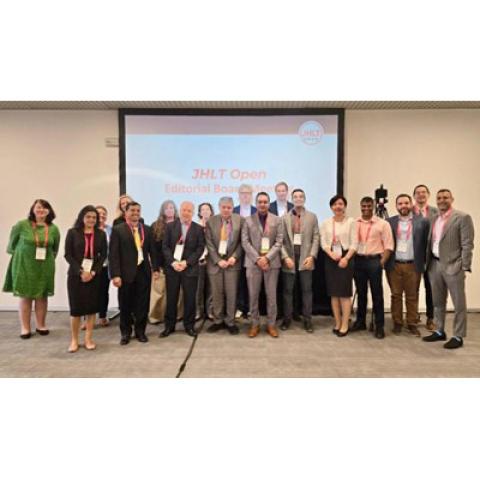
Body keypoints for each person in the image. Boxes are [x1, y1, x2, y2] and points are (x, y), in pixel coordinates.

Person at [422, 189, 474, 349]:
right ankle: (439, 331)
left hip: (453, 266)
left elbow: (467, 244)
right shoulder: (434, 218)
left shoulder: (462, 217)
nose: (442, 200)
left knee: (458, 303)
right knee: (437, 301)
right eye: (439, 198)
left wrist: (464, 265)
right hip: (434, 265)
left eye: (445, 197)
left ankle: (458, 336)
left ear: (452, 198)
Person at [3, 199, 61, 339]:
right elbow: (12, 246)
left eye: (44, 208)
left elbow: (55, 249)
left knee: (42, 296)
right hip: (24, 265)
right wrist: (25, 255)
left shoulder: (53, 228)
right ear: (33, 210)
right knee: (25, 296)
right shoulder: (21, 225)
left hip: (44, 266)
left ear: (49, 211)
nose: (41, 210)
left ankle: (41, 325)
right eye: (38, 207)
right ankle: (25, 328)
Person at [109, 202, 159, 345]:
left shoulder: (147, 230)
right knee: (125, 305)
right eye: (132, 210)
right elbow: (113, 254)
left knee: (142, 304)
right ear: (126, 212)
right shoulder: (119, 230)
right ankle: (125, 333)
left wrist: (155, 269)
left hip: (143, 272)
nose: (135, 213)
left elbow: (153, 252)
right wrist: (115, 275)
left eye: (138, 210)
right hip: (125, 274)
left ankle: (140, 332)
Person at [64, 206, 108, 352]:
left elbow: (103, 256)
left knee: (91, 309)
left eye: (94, 218)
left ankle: (88, 339)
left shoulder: (101, 234)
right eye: (88, 217)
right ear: (82, 217)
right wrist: (80, 271)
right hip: (76, 276)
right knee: (76, 310)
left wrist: (94, 272)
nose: (91, 220)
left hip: (94, 276)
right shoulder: (72, 233)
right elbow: (68, 255)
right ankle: (74, 340)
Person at [385, 194, 429, 337]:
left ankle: (412, 323)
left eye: (406, 203)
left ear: (411, 204)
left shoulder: (421, 221)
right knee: (396, 295)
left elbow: (425, 243)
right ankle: (397, 322)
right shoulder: (389, 222)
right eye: (400, 203)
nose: (403, 206)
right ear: (396, 206)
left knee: (412, 295)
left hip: (413, 264)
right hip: (394, 264)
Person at [351, 196, 394, 339]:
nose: (366, 209)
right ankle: (360, 321)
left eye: (369, 206)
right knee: (361, 293)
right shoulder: (355, 223)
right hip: (358, 260)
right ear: (360, 206)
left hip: (374, 261)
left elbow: (388, 246)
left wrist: (381, 262)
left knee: (377, 295)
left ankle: (379, 325)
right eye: (363, 206)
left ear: (373, 206)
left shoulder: (382, 224)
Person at [161, 201, 205, 338]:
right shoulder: (169, 227)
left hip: (190, 269)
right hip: (172, 269)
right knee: (171, 298)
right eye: (184, 210)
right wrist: (173, 262)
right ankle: (169, 326)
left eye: (189, 211)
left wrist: (187, 262)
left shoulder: (198, 229)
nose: (186, 213)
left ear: (192, 213)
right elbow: (165, 247)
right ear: (179, 211)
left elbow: (200, 248)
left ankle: (189, 326)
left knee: (190, 299)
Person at [242, 192, 283, 338]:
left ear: (269, 203)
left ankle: (271, 325)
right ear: (256, 203)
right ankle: (255, 324)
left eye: (265, 202)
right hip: (253, 264)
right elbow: (245, 242)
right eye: (260, 202)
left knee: (271, 296)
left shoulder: (277, 220)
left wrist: (267, 258)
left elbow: (279, 242)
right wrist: (258, 259)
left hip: (272, 264)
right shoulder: (247, 220)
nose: (262, 204)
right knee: (253, 296)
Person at [281, 188, 319, 333]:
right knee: (287, 291)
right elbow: (281, 241)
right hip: (289, 260)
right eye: (295, 196)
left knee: (307, 291)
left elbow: (316, 237)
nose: (298, 199)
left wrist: (312, 256)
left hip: (305, 260)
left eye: (300, 196)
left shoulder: (312, 216)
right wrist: (285, 257)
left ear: (304, 199)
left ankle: (307, 320)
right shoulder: (284, 218)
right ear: (292, 199)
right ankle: (287, 319)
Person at [205, 196, 244, 335]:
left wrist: (234, 257)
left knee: (231, 294)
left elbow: (242, 242)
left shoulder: (240, 220)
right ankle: (218, 321)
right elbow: (209, 243)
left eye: (229, 207)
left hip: (232, 264)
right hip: (216, 264)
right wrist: (217, 260)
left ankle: (230, 322)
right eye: (223, 207)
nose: (226, 210)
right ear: (219, 207)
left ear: (232, 208)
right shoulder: (211, 221)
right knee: (216, 294)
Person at [320, 195, 357, 337]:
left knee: (344, 293)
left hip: (346, 259)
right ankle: (337, 322)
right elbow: (323, 242)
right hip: (331, 259)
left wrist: (346, 258)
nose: (338, 207)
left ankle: (345, 324)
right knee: (334, 293)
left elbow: (354, 243)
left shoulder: (351, 222)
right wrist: (330, 254)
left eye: (340, 204)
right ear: (331, 207)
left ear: (345, 206)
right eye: (335, 204)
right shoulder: (326, 223)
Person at [149, 200, 180, 324]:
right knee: (159, 293)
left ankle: (176, 316)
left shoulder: (181, 224)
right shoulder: (155, 225)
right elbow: (153, 249)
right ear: (162, 210)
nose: (169, 210)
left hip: (177, 264)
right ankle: (156, 317)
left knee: (177, 293)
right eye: (167, 208)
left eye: (172, 208)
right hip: (161, 264)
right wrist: (155, 268)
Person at [412, 184, 439, 330]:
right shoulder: (408, 212)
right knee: (412, 289)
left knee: (431, 289)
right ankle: (413, 316)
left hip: (431, 258)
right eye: (418, 193)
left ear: (428, 194)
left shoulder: (436, 212)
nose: (421, 195)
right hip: (414, 257)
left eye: (423, 192)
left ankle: (430, 318)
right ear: (414, 196)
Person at [234, 184, 257, 319]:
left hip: (252, 251)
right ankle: (239, 306)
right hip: (236, 251)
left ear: (251, 195)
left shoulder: (256, 210)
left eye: (248, 193)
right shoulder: (234, 210)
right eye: (242, 193)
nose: (245, 195)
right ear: (239, 195)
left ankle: (250, 307)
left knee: (252, 281)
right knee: (238, 281)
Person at [196, 202, 214, 320]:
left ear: (211, 211)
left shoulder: (215, 225)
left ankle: (210, 311)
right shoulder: (195, 226)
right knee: (198, 287)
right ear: (199, 212)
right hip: (199, 260)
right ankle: (198, 311)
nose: (205, 211)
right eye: (203, 209)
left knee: (212, 288)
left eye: (208, 209)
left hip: (212, 260)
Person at [95, 205, 112, 327]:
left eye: (104, 214)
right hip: (92, 267)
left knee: (104, 292)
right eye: (99, 213)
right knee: (89, 292)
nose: (102, 216)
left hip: (106, 265)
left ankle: (102, 316)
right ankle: (86, 318)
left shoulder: (110, 229)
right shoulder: (89, 229)